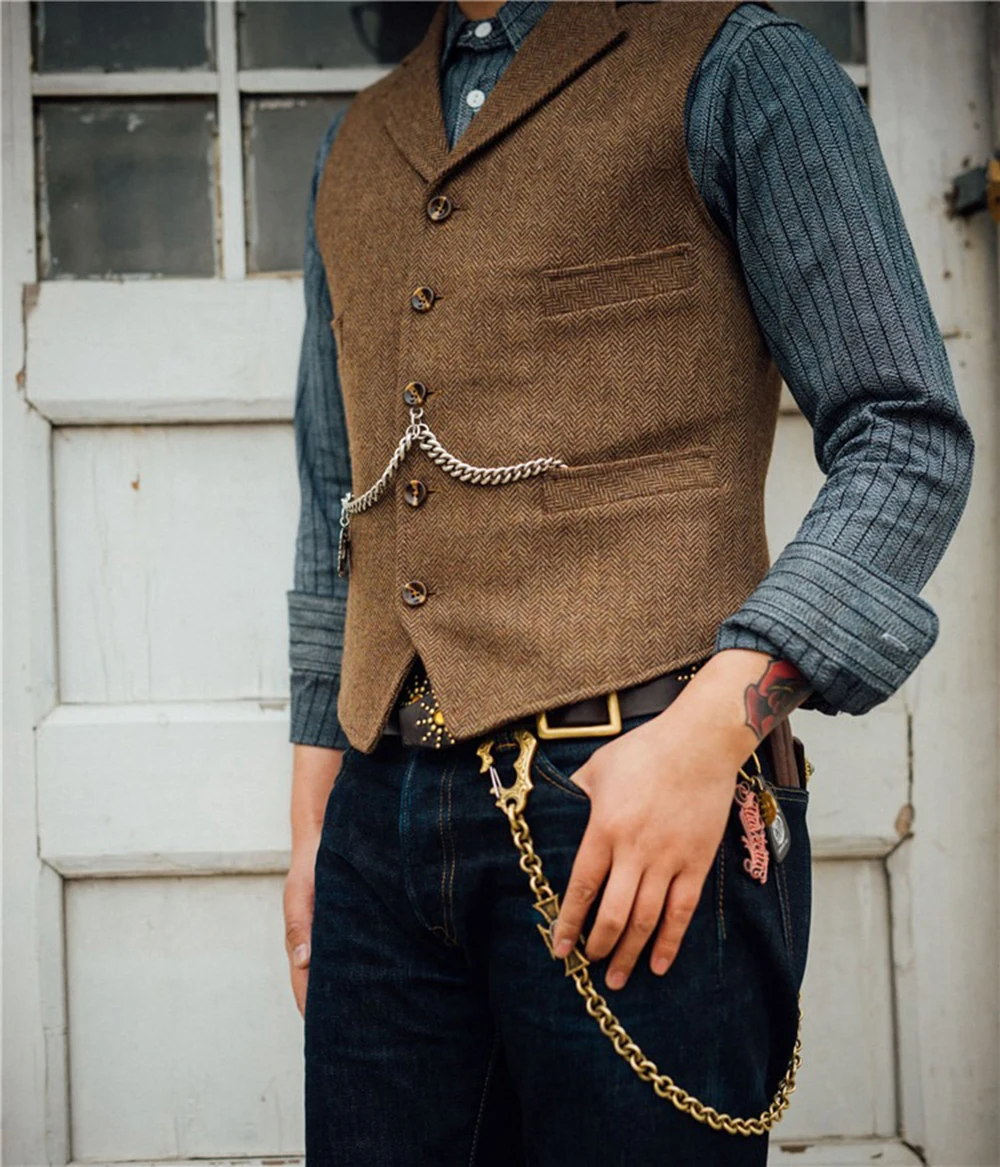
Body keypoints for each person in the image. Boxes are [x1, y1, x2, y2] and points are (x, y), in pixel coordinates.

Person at [283, 2, 975, 1162]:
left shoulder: (737, 67)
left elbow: (904, 435)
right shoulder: (353, 143)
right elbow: (332, 506)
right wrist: (313, 825)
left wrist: (707, 736)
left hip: (638, 800)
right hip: (376, 826)